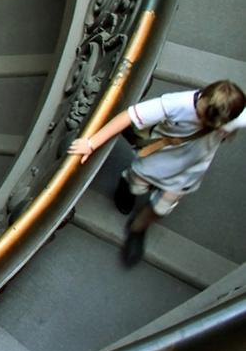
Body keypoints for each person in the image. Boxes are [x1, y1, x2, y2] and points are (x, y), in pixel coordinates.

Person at [68, 80, 246, 265]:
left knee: (161, 207)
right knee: (136, 184)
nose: (203, 124)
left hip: (189, 170)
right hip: (157, 160)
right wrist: (91, 143)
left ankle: (138, 227)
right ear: (203, 100)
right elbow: (128, 116)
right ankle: (126, 187)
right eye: (202, 118)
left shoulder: (232, 114)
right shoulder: (177, 103)